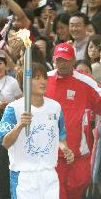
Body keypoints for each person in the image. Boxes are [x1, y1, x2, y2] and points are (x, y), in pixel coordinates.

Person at [0, 62, 74, 199]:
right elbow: (4, 143)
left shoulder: (55, 107)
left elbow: (60, 137)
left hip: (49, 174)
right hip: (24, 176)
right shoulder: (13, 108)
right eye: (37, 78)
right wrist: (20, 125)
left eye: (44, 77)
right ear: (25, 82)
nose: (43, 81)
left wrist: (65, 149)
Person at [45, 42, 101, 199]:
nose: (62, 64)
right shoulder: (44, 79)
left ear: (74, 60)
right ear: (53, 60)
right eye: (59, 60)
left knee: (77, 190)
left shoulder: (86, 82)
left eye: (66, 60)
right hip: (51, 154)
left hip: (78, 154)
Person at [0, 49, 22, 199]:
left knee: (7, 161)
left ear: (5, 65)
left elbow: (21, 103)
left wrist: (7, 105)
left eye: (0, 63)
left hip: (10, 126)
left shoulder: (12, 82)